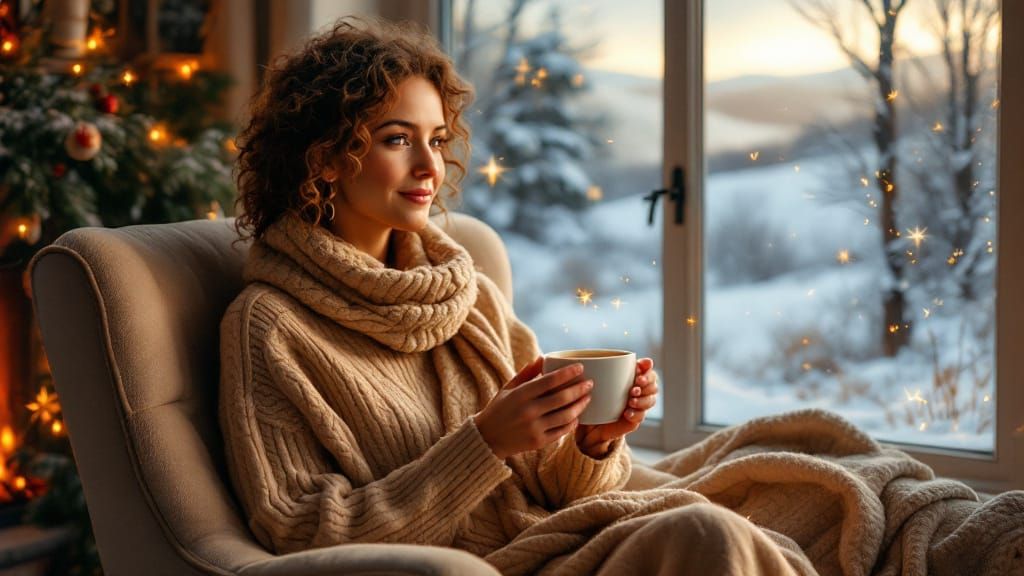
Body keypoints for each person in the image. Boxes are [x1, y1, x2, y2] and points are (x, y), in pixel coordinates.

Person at [222, 16, 1024, 576]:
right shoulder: (271, 327)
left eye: (436, 139)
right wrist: (485, 445)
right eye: (397, 139)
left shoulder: (458, 291)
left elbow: (558, 485)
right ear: (324, 158)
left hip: (553, 532)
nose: (431, 166)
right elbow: (299, 534)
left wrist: (595, 440)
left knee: (828, 478)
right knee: (712, 535)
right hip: (493, 565)